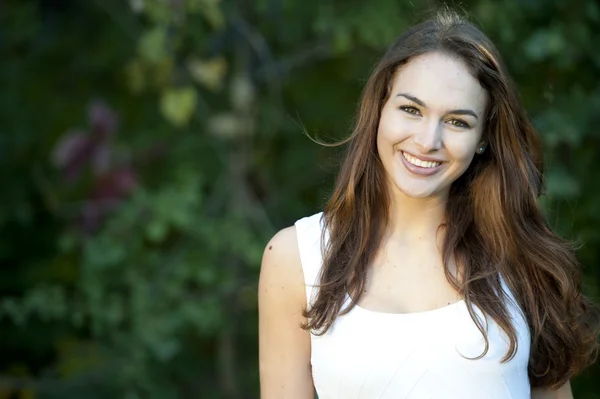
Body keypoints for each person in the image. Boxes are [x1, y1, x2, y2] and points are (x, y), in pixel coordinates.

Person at [258, 10, 600, 399]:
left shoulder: (518, 253)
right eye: (410, 110)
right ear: (379, 110)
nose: (427, 141)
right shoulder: (295, 257)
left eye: (457, 122)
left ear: (483, 137)